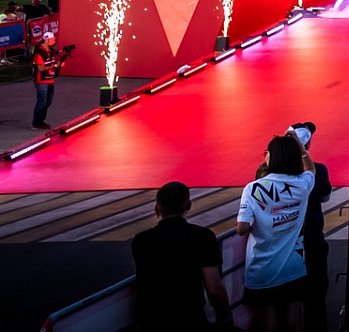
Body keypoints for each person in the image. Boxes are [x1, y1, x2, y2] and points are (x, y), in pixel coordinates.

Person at [237, 130, 316, 332]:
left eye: (267, 152)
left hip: (262, 269)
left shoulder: (253, 188)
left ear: (273, 157)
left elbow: (242, 228)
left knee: (267, 325)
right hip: (295, 265)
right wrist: (300, 147)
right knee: (294, 323)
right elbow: (310, 170)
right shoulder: (303, 185)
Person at [132, 181, 231, 331]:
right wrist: (226, 316)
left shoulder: (140, 241)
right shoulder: (203, 237)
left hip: (151, 322)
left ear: (156, 208)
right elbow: (214, 289)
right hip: (190, 320)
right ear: (188, 205)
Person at [291, 123, 332, 332]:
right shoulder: (319, 170)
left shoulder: (268, 173)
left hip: (284, 244)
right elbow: (325, 196)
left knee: (289, 297)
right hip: (313, 239)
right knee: (316, 295)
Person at [31, 32, 66, 129]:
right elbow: (40, 68)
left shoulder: (50, 51)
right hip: (41, 80)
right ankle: (36, 123)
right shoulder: (40, 53)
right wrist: (55, 66)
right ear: (47, 40)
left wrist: (59, 63)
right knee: (42, 101)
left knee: (48, 102)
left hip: (50, 79)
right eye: (53, 39)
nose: (54, 41)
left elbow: (51, 62)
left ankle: (41, 120)